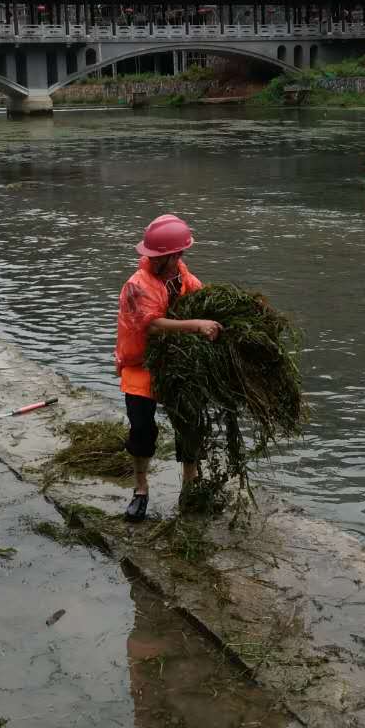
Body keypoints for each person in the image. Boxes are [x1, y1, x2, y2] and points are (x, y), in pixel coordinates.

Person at [115, 214, 222, 522]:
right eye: (159, 256)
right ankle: (140, 490)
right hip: (141, 364)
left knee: (190, 425)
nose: (174, 259)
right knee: (142, 430)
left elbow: (201, 297)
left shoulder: (182, 276)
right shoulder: (137, 286)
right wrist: (197, 325)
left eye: (172, 255)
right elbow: (151, 327)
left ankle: (189, 489)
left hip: (177, 362)